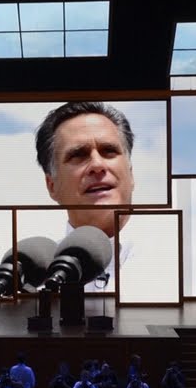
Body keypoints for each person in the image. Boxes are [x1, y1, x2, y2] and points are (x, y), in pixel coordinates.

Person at [35, 101, 136, 290]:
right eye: (78, 155)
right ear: (52, 185)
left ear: (131, 174)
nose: (97, 165)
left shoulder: (180, 258)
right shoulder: (35, 280)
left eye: (109, 151)